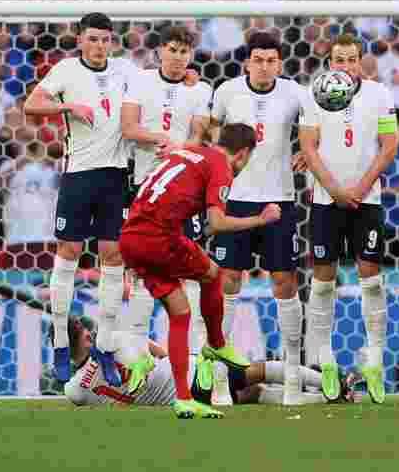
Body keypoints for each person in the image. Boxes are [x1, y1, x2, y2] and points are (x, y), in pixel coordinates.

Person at [117, 123, 278, 419]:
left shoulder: (189, 152)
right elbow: (217, 223)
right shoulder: (222, 166)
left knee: (180, 313)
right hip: (158, 237)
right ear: (243, 153)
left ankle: (183, 398)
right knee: (213, 273)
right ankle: (216, 343)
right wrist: (260, 219)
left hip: (129, 239)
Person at [22, 12, 136, 386]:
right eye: (93, 39)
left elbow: (156, 89)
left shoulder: (126, 70)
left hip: (116, 175)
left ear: (112, 41)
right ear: (80, 40)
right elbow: (31, 105)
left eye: (105, 39)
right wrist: (67, 107)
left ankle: (105, 347)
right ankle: (60, 341)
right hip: (79, 175)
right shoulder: (67, 71)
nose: (100, 46)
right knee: (69, 251)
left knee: (113, 257)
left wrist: (187, 79)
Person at [210, 33, 313, 405]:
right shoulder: (227, 92)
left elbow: (317, 126)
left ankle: (292, 379)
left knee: (284, 282)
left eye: (271, 60)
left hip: (278, 199)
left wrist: (307, 149)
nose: (265, 66)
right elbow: (209, 131)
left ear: (280, 63)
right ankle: (219, 380)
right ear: (247, 62)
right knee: (227, 282)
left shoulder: (295, 93)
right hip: (235, 199)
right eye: (258, 59)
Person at [298, 34, 399, 404]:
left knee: (371, 279)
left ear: (361, 62)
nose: (345, 66)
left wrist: (361, 186)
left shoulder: (379, 94)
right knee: (323, 281)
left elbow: (390, 145)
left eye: (351, 59)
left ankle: (374, 362)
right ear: (330, 63)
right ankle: (325, 361)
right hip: (327, 201)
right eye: (339, 60)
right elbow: (308, 146)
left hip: (366, 200)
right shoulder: (314, 95)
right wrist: (334, 189)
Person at [117, 24, 213, 395]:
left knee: (190, 272)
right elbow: (128, 127)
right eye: (172, 49)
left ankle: (195, 360)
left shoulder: (200, 89)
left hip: (184, 193)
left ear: (191, 55)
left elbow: (199, 135)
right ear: (159, 51)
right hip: (145, 188)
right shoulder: (141, 81)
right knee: (144, 273)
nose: (177, 57)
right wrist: (158, 138)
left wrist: (179, 149)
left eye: (184, 51)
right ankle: (139, 356)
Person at [58, 317, 343, 408]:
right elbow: (155, 350)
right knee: (251, 374)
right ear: (83, 339)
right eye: (85, 332)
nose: (90, 333)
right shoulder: (114, 340)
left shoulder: (76, 388)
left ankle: (325, 395)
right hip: (185, 374)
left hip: (179, 395)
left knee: (251, 393)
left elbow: (73, 391)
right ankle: (328, 385)